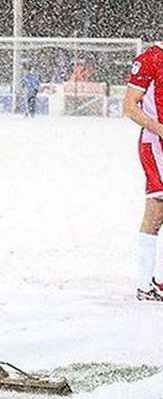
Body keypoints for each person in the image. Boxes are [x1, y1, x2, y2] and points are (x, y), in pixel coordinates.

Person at [123, 42, 163, 302]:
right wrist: (158, 128)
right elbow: (129, 106)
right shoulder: (151, 58)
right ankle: (145, 283)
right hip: (156, 144)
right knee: (157, 208)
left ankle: (157, 280)